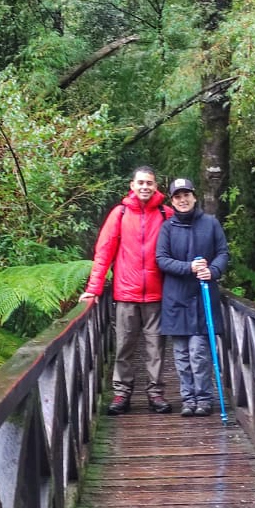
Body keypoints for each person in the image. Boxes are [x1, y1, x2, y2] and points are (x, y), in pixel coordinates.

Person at [80, 166, 173, 415]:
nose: (145, 187)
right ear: (132, 185)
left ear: (156, 186)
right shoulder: (119, 214)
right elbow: (104, 253)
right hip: (126, 294)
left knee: (156, 348)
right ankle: (122, 394)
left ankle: (155, 393)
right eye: (140, 182)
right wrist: (94, 289)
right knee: (124, 347)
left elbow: (182, 246)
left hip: (157, 294)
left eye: (149, 183)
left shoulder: (166, 213)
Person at [156, 178, 230, 417]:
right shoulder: (167, 228)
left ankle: (204, 399)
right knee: (181, 355)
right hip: (176, 298)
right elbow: (162, 259)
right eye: (177, 196)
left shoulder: (210, 223)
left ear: (194, 197)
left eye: (186, 194)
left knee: (199, 352)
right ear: (172, 201)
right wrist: (189, 267)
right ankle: (188, 399)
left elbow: (222, 253)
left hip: (202, 296)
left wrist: (214, 271)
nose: (183, 199)